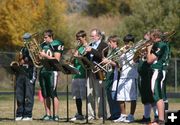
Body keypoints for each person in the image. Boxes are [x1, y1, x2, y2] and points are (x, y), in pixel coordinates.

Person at [39, 29, 64, 121]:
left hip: (52, 71)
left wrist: (45, 56)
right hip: (43, 70)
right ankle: (47, 114)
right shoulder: (42, 45)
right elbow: (39, 60)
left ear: (51, 37)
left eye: (46, 37)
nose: (44, 39)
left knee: (53, 93)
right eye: (44, 37)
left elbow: (57, 59)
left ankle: (56, 115)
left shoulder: (56, 44)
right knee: (45, 94)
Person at [84, 28, 109, 120]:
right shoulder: (91, 44)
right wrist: (84, 54)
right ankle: (91, 115)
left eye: (93, 36)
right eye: (91, 36)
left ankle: (102, 115)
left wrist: (91, 50)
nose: (91, 38)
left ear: (98, 36)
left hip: (99, 72)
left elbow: (102, 56)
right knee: (89, 94)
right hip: (90, 72)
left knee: (100, 95)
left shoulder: (104, 45)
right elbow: (88, 58)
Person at [114, 34, 138, 123]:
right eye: (125, 42)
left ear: (132, 43)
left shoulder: (136, 51)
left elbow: (134, 64)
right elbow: (119, 64)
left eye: (127, 42)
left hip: (132, 76)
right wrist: (120, 55)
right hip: (123, 76)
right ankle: (123, 115)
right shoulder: (123, 51)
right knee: (120, 97)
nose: (126, 44)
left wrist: (126, 53)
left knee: (132, 98)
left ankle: (131, 115)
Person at [146, 29, 167, 125]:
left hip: (157, 70)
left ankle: (161, 120)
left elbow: (149, 60)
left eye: (151, 36)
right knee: (158, 95)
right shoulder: (160, 45)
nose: (150, 38)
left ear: (155, 36)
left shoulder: (160, 45)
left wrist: (149, 50)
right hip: (158, 70)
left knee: (157, 95)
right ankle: (160, 119)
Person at [15, 33, 37, 121]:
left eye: (26, 39)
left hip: (30, 71)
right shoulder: (23, 49)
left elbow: (37, 61)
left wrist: (27, 60)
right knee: (19, 93)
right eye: (24, 39)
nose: (25, 41)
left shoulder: (33, 49)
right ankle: (20, 113)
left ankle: (28, 114)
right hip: (21, 71)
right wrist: (20, 60)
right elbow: (20, 61)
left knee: (28, 94)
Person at [70, 30, 88, 121]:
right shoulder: (78, 47)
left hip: (83, 74)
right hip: (75, 75)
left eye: (79, 38)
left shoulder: (86, 47)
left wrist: (77, 54)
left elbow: (85, 58)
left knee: (85, 96)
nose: (78, 40)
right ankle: (79, 113)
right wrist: (73, 56)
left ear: (84, 37)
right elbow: (72, 61)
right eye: (77, 38)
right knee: (77, 96)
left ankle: (89, 114)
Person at [102, 35, 121, 120]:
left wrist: (108, 61)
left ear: (115, 42)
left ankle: (116, 114)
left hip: (115, 75)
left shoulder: (118, 51)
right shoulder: (111, 51)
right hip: (109, 75)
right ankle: (113, 113)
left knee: (114, 96)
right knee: (109, 95)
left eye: (110, 42)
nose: (109, 44)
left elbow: (117, 64)